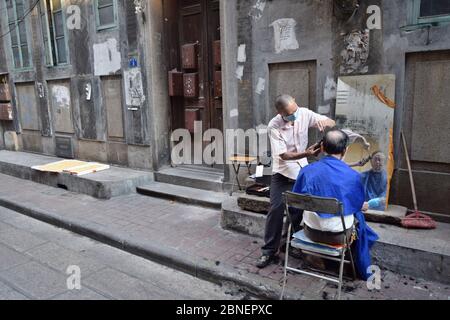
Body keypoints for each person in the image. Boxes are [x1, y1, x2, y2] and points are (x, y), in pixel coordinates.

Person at [256, 94, 335, 269]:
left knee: (297, 211)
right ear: (280, 113)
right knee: (276, 209)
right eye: (289, 114)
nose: (294, 116)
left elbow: (331, 122)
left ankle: (289, 243)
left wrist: (325, 122)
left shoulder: (304, 113)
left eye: (295, 111)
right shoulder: (274, 126)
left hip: (301, 173)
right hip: (282, 173)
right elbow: (284, 155)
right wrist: (307, 154)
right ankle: (268, 251)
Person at [292, 128, 379, 280]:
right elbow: (357, 204)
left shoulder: (306, 171)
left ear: (322, 148)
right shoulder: (353, 176)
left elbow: (295, 201)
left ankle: (315, 256)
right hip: (339, 236)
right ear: (345, 150)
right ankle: (355, 263)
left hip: (310, 232)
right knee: (359, 217)